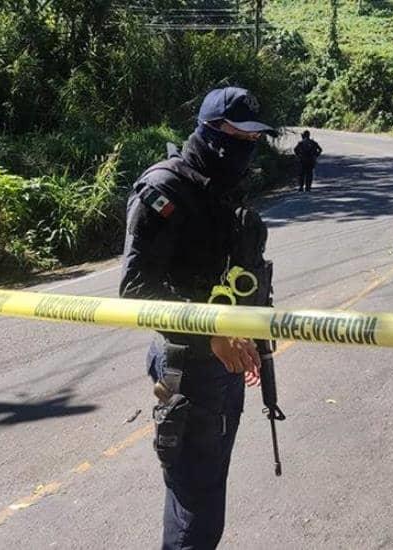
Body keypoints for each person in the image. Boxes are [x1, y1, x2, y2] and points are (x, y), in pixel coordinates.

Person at [119, 86, 277, 550]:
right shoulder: (165, 189)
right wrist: (212, 335)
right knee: (196, 506)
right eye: (237, 135)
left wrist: (246, 336)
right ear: (210, 132)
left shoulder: (222, 188)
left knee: (206, 497)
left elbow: (232, 277)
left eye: (254, 138)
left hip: (223, 360)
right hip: (186, 364)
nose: (247, 146)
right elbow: (135, 290)